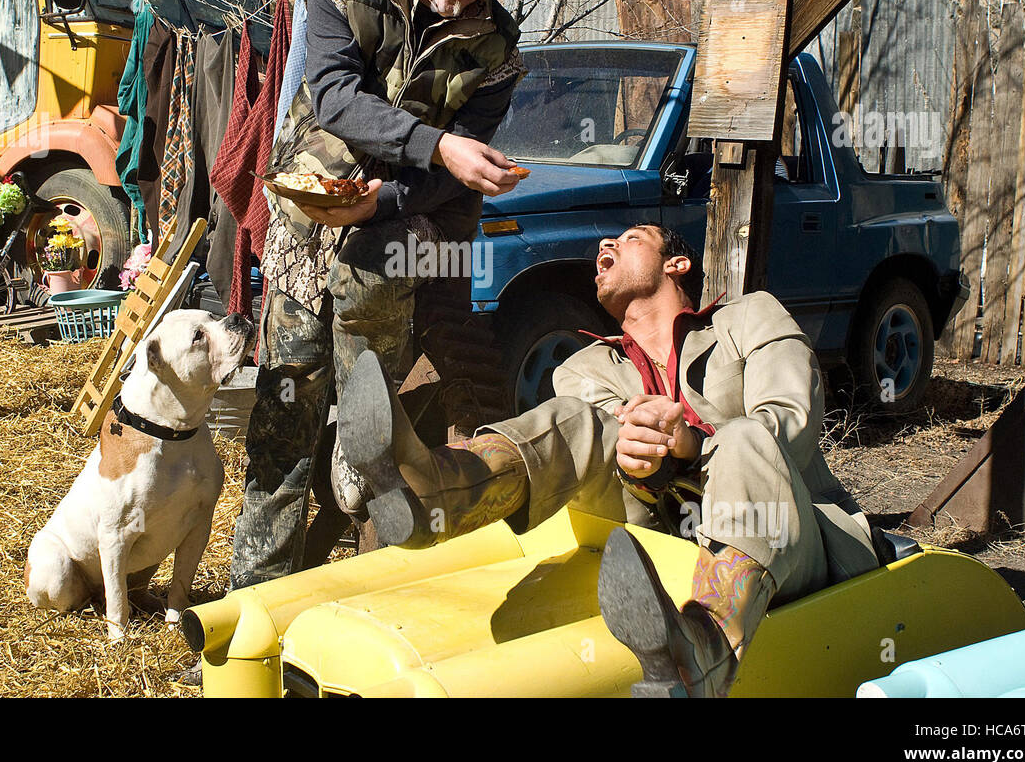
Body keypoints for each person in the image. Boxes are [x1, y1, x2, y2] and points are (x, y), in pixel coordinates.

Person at [336, 224, 882, 697]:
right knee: (576, 420)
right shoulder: (583, 369)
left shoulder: (750, 318)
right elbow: (602, 457)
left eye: (629, 238)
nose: (606, 243)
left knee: (745, 438)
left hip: (791, 541)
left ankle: (708, 648)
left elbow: (790, 422)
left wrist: (693, 440)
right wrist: (636, 458)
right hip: (656, 543)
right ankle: (436, 489)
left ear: (677, 263)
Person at [230, 0, 545, 589]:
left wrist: (391, 197)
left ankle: (379, 609)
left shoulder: (498, 51)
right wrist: (438, 145)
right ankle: (253, 609)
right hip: (307, 237)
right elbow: (335, 98)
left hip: (397, 242)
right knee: (284, 423)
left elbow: (454, 177)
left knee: (380, 446)